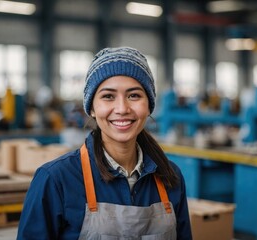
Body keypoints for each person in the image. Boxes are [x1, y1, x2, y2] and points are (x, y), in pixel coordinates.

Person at [17, 47, 193, 239]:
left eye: (134, 95)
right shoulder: (55, 180)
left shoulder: (170, 176)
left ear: (149, 105)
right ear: (92, 108)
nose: (122, 109)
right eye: (108, 96)